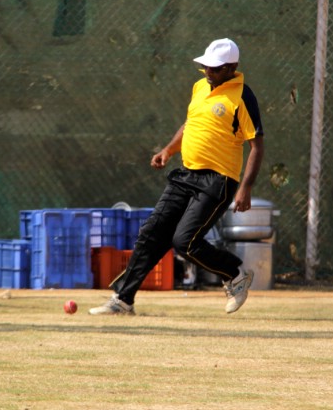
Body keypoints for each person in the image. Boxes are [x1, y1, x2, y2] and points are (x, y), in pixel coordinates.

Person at [90, 38, 265, 315]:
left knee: (185, 242)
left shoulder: (243, 95)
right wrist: (168, 150)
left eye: (215, 68)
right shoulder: (200, 87)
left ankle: (234, 275)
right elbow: (190, 124)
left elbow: (257, 145)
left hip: (217, 181)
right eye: (206, 66)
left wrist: (246, 187)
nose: (208, 72)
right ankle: (123, 301)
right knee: (151, 233)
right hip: (185, 176)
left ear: (232, 67)